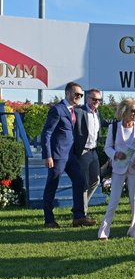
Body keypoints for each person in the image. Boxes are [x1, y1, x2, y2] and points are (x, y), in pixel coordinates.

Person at [41, 82, 97, 228]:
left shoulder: (75, 110)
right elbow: (46, 133)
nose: (79, 97)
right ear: (67, 93)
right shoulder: (57, 110)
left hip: (70, 156)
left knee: (79, 181)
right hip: (57, 156)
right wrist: (47, 155)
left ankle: (79, 217)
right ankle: (49, 220)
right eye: (76, 94)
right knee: (51, 186)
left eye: (81, 95)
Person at [97, 98, 135, 240]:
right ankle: (103, 232)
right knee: (113, 201)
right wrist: (115, 154)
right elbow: (107, 148)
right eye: (133, 111)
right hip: (118, 168)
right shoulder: (114, 128)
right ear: (124, 112)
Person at [73, 88, 103, 217]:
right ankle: (82, 212)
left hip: (94, 151)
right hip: (83, 152)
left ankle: (79, 206)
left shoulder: (98, 113)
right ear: (87, 98)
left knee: (96, 180)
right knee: (83, 183)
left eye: (99, 100)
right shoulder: (79, 111)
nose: (96, 101)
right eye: (94, 99)